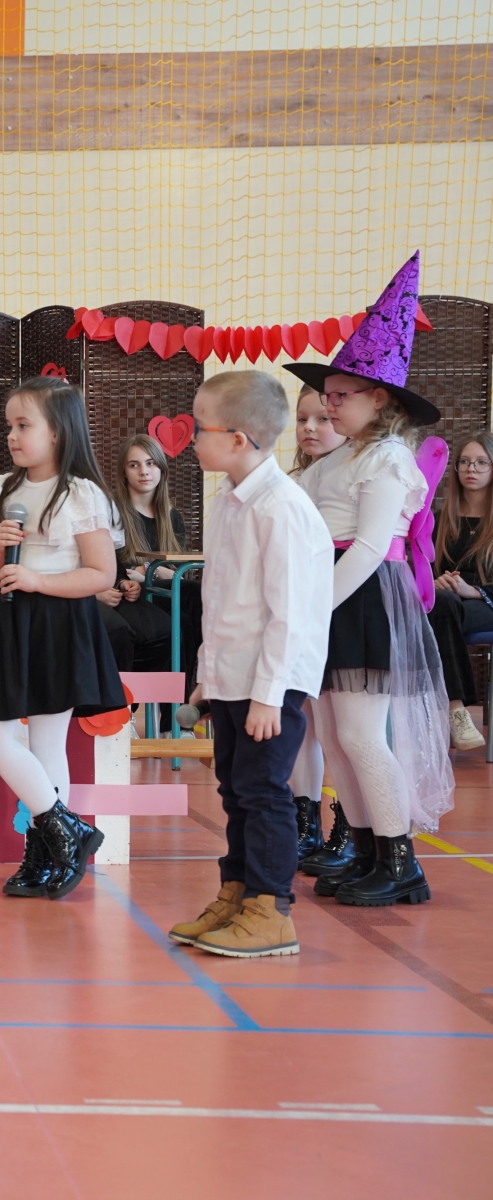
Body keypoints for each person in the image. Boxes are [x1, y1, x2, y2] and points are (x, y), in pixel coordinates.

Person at [285, 250, 453, 907]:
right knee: (332, 735)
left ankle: (399, 860)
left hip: (360, 596)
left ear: (378, 398)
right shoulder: (336, 459)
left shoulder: (386, 458)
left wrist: (314, 607)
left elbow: (370, 547)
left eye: (340, 396)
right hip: (328, 593)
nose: (328, 406)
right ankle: (361, 847)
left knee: (359, 733)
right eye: (325, 397)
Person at [166, 371, 332, 957]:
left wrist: (269, 694)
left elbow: (290, 612)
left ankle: (270, 909)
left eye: (199, 427)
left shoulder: (280, 507)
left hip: (270, 681)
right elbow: (221, 602)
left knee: (263, 790)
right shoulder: (229, 502)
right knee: (235, 789)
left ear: (238, 439)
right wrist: (207, 677)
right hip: (234, 674)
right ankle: (237, 892)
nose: (191, 438)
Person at [0, 376, 124, 902]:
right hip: (11, 618)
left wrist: (37, 580)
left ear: (58, 432)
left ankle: (46, 852)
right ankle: (64, 829)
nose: (12, 435)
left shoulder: (81, 493)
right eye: (10, 425)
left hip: (60, 621)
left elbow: (101, 574)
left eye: (23, 425)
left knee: (48, 742)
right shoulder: (2, 489)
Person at [288, 385, 353, 866]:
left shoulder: (353, 480)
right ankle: (305, 823)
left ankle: (351, 826)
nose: (310, 428)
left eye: (322, 419)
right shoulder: (292, 482)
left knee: (344, 729)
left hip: (342, 608)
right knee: (303, 723)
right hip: (298, 610)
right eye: (302, 419)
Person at [97, 434, 190, 674]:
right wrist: (144, 574)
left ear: (161, 468)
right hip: (127, 597)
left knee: (193, 604)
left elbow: (180, 573)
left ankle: (188, 692)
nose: (144, 471)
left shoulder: (172, 517)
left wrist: (145, 570)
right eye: (134, 465)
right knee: (173, 625)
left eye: (151, 463)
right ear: (124, 472)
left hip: (162, 593)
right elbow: (117, 569)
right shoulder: (111, 512)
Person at [424, 430, 493, 751]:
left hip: (486, 603)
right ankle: (456, 711)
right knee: (442, 604)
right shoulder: (439, 519)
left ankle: (450, 711)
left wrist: (475, 591)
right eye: (464, 462)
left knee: (443, 609)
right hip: (446, 602)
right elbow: (422, 569)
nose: (471, 469)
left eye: (481, 462)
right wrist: (433, 583)